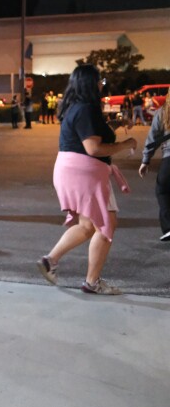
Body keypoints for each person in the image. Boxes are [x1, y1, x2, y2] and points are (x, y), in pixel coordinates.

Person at [36, 64, 136, 295]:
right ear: (90, 83)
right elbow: (93, 148)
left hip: (71, 169)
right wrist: (126, 144)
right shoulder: (86, 109)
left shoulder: (74, 107)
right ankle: (92, 282)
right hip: (87, 172)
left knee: (87, 225)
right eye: (99, 81)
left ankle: (50, 261)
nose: (102, 85)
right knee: (106, 225)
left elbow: (93, 134)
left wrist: (118, 124)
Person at [138, 101, 170, 241]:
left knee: (162, 190)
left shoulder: (164, 111)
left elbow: (153, 137)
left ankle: (169, 226)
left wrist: (146, 160)